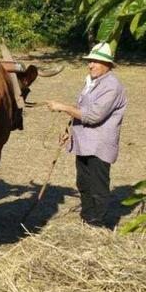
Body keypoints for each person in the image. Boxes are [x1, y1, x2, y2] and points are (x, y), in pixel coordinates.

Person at [47, 42, 127, 227]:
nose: (91, 65)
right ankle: (87, 218)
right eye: (90, 61)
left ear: (108, 64)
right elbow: (82, 109)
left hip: (99, 145)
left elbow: (92, 116)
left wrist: (62, 107)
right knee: (83, 182)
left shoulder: (112, 86)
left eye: (96, 61)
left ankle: (97, 224)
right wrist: (70, 130)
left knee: (98, 186)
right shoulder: (91, 82)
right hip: (84, 142)